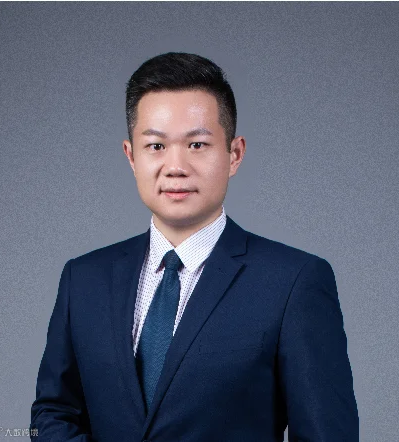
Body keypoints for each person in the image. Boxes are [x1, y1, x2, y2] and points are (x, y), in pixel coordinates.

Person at [30, 52, 359, 441]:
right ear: (131, 156)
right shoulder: (84, 279)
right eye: (156, 146)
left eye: (198, 144)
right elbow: (53, 413)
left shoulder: (293, 282)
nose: (175, 167)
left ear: (234, 154)